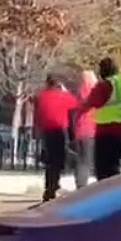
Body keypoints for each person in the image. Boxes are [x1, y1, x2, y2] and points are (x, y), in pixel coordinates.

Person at [79, 58, 121, 181]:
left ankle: (104, 191)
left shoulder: (105, 85)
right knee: (115, 161)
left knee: (103, 166)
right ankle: (116, 189)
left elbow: (93, 102)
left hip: (106, 128)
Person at [34, 74, 79, 202]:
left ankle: (50, 187)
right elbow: (75, 103)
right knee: (58, 160)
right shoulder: (63, 96)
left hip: (46, 131)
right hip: (59, 130)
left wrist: (37, 130)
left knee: (50, 161)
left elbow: (37, 113)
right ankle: (53, 185)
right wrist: (65, 90)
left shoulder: (41, 96)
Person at [72, 70, 97, 188]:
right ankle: (83, 186)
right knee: (87, 161)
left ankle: (79, 184)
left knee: (80, 160)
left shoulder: (79, 92)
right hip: (90, 129)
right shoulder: (93, 92)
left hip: (79, 130)